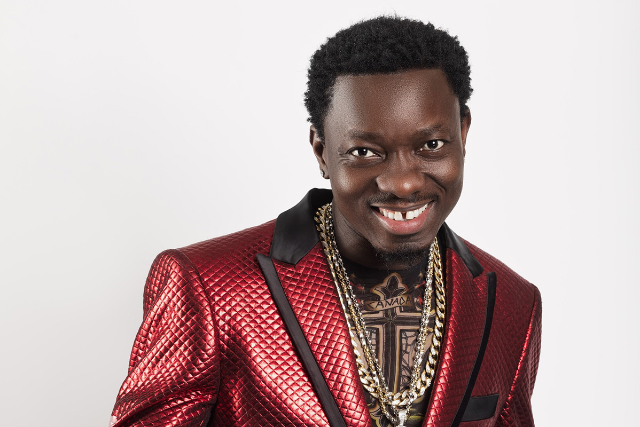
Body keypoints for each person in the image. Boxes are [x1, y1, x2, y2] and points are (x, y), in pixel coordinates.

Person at [110, 16, 541, 427]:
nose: (404, 183)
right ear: (321, 151)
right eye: (365, 152)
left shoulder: (513, 305)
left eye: (431, 144)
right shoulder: (208, 287)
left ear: (463, 134)